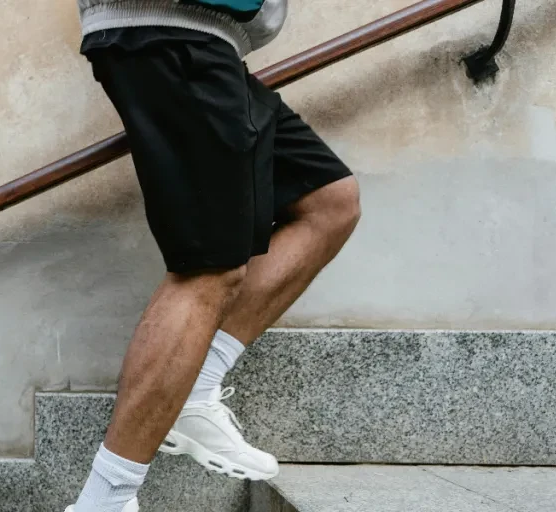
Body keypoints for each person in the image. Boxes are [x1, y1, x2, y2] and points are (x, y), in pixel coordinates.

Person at [67, 0, 362, 510]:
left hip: (208, 37)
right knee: (208, 268)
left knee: (329, 202)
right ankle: (105, 501)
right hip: (170, 29)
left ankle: (195, 392)